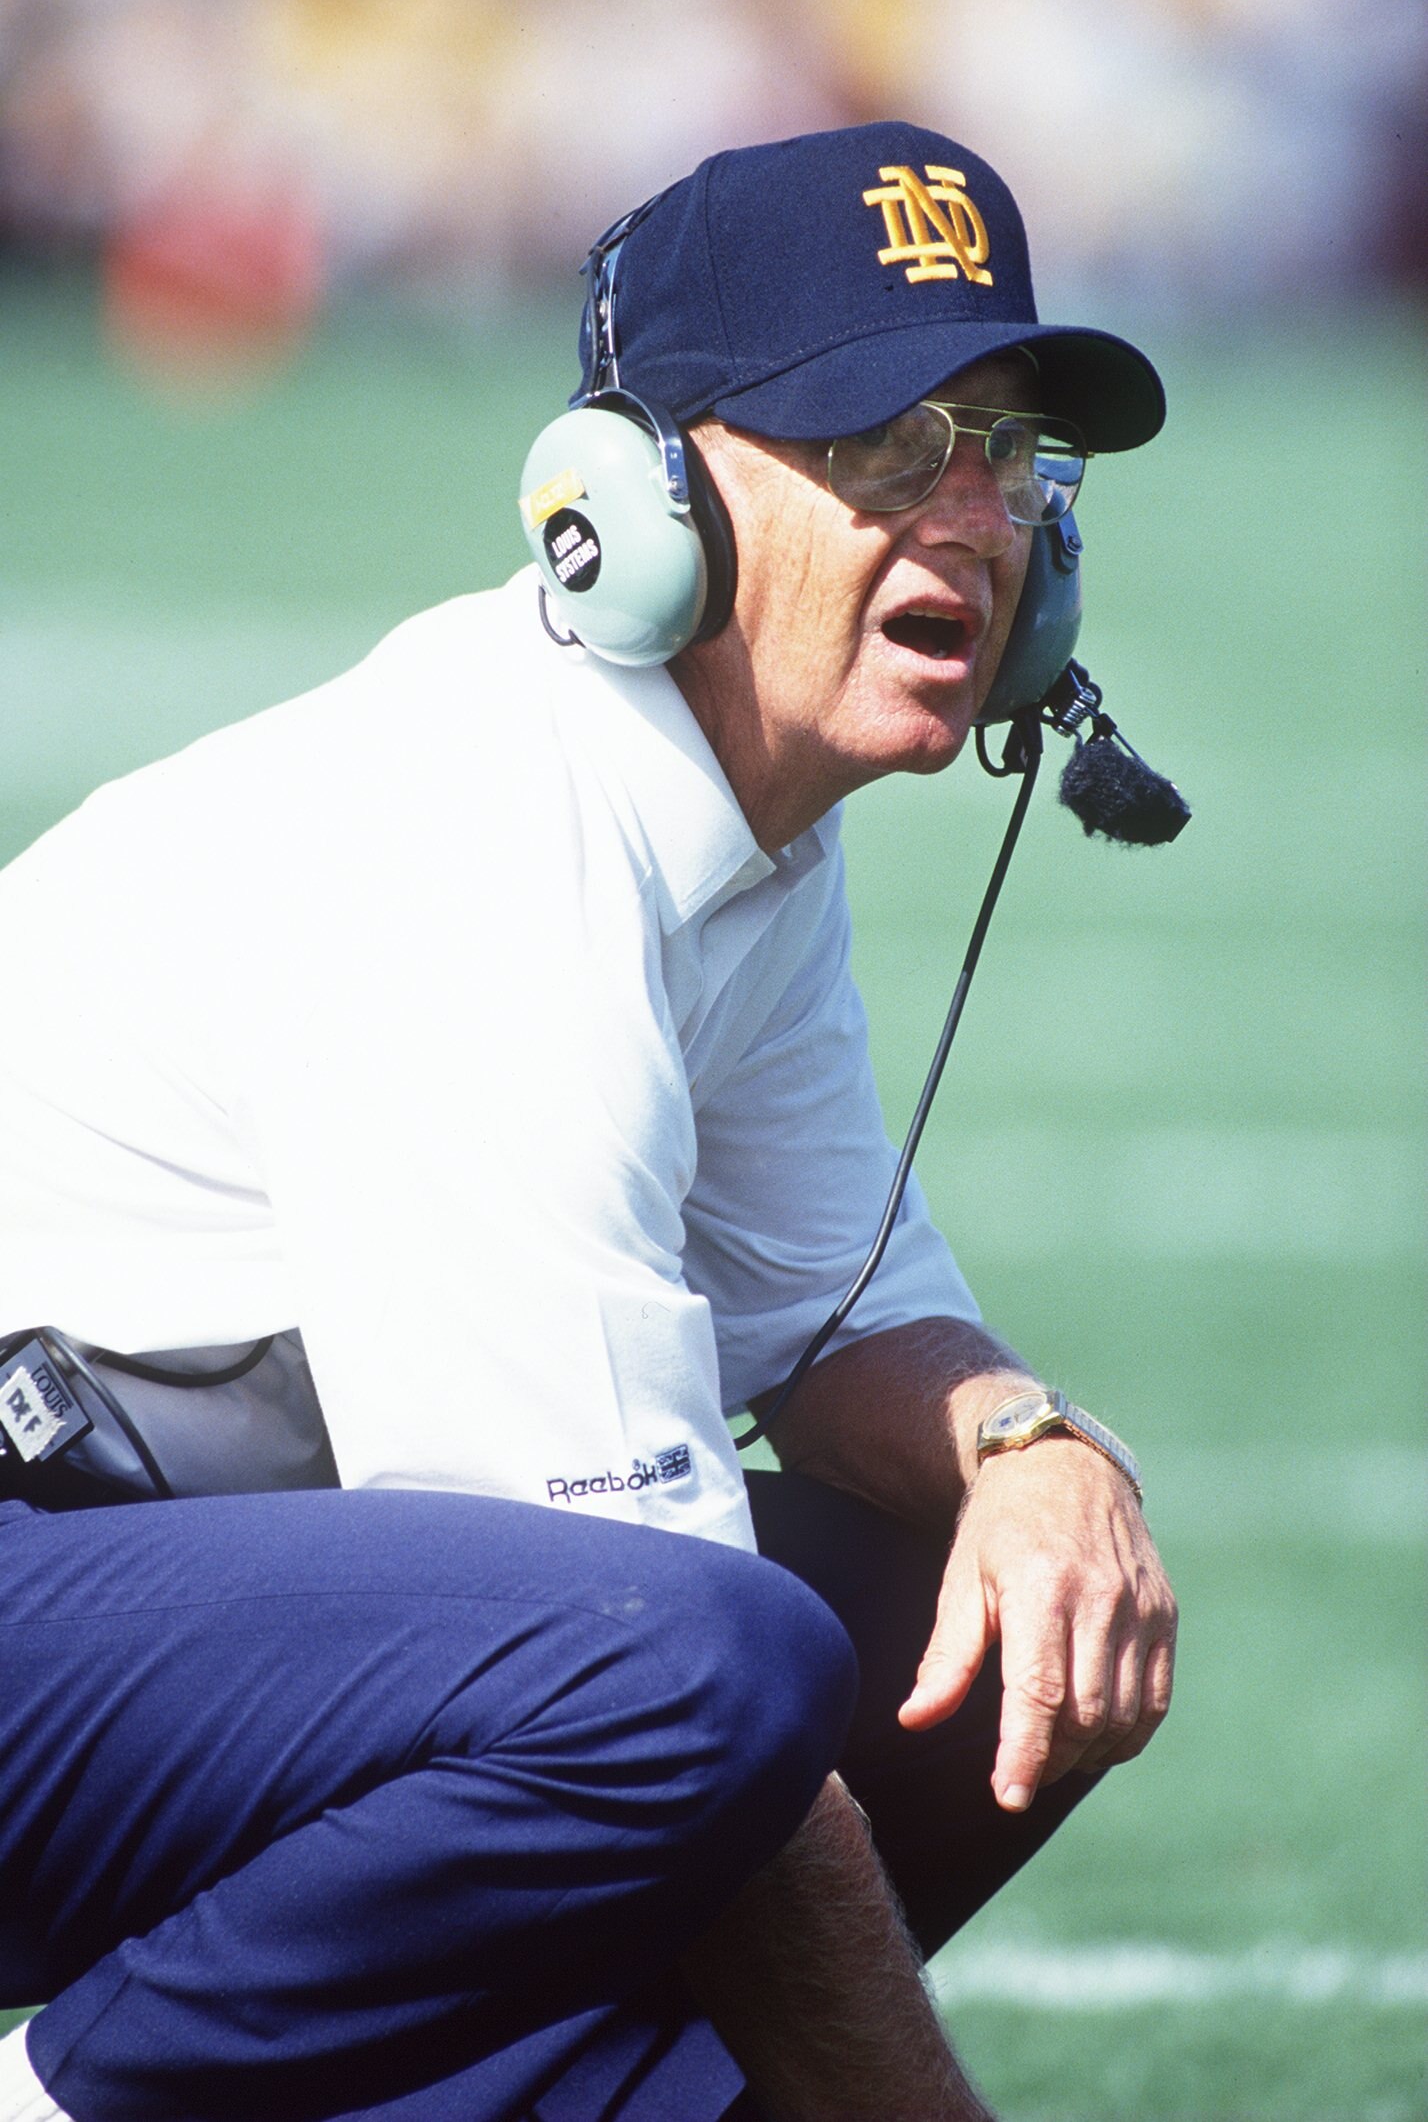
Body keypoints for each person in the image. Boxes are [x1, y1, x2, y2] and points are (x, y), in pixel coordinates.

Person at [0, 121, 1178, 2122]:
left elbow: (836, 1327)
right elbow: (656, 1664)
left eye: (1007, 449)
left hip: (127, 1592)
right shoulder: (474, 838)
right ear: (639, 505)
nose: (979, 520)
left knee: (974, 1609)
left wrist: (1026, 1446)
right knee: (700, 1674)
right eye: (892, 444)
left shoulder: (735, 827)